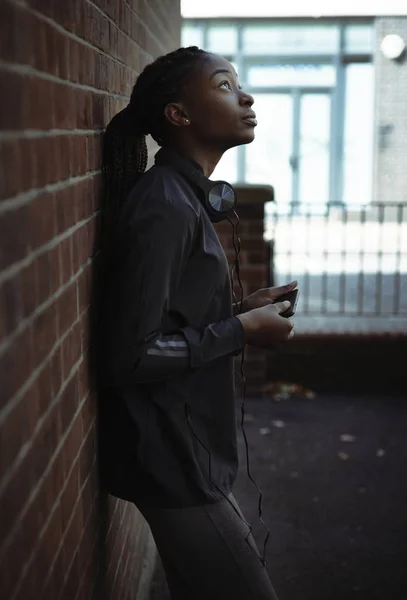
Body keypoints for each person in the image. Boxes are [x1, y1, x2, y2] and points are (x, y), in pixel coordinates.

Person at [97, 46, 297, 600]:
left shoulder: (183, 196)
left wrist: (241, 311)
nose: (247, 95)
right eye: (225, 84)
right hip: (172, 456)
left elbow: (168, 321)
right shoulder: (166, 205)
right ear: (178, 115)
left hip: (187, 450)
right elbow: (128, 355)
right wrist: (243, 331)